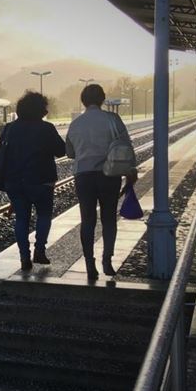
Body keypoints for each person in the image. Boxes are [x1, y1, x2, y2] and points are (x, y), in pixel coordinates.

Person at [66, 84, 137, 280]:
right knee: (108, 219)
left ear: (83, 100)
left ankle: (90, 263)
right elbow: (126, 146)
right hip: (109, 175)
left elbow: (70, 153)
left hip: (84, 176)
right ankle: (107, 260)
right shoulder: (112, 119)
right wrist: (131, 170)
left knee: (87, 220)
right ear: (102, 99)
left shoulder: (76, 124)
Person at [0, 91, 66, 271]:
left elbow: (1, 153)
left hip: (15, 181)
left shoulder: (9, 128)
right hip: (41, 180)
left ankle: (24, 258)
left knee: (21, 218)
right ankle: (40, 251)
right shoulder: (46, 128)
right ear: (41, 110)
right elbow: (61, 151)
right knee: (43, 215)